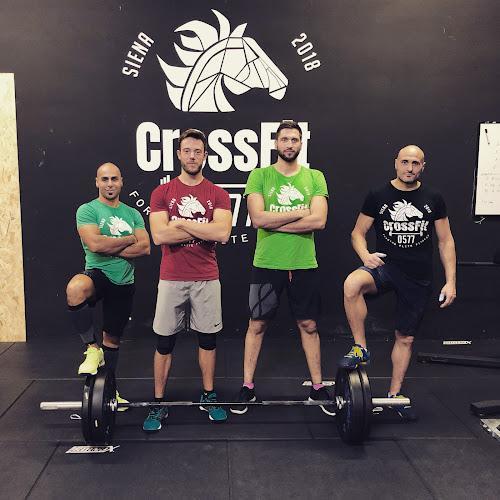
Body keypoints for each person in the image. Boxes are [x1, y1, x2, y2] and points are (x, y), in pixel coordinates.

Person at [340, 145, 456, 420]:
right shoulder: (378, 195)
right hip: (386, 267)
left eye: (415, 163)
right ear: (396, 163)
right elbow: (357, 233)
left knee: (405, 337)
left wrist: (450, 281)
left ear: (423, 166)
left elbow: (445, 241)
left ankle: (394, 396)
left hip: (417, 275)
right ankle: (360, 348)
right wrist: (365, 255)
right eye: (405, 162)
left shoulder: (433, 198)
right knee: (352, 284)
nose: (409, 168)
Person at [230, 120, 333, 416]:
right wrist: (301, 212)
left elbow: (319, 221)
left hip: (303, 264)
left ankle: (317, 388)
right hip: (267, 264)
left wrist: (275, 222)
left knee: (309, 325)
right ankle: (247, 387)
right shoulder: (259, 175)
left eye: (294, 139)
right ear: (276, 143)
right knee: (257, 324)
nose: (289, 144)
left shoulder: (315, 176)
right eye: (285, 139)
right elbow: (257, 219)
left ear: (301, 143)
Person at [143, 128, 232, 432]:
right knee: (164, 341)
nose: (192, 156)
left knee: (208, 340)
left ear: (205, 156)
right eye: (187, 151)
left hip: (206, 277)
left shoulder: (218, 194)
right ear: (179, 154)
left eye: (198, 151)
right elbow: (159, 236)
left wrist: (179, 222)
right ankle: (158, 402)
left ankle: (208, 395)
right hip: (171, 278)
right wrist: (202, 228)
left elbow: (222, 233)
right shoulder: (162, 193)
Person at [66, 162, 150, 406]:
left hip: (124, 281)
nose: (110, 184)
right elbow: (94, 245)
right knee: (75, 288)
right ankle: (92, 348)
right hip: (98, 273)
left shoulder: (133, 213)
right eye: (105, 179)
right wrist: (129, 238)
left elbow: (145, 248)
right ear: (97, 182)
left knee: (112, 340)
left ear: (121, 182)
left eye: (114, 179)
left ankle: (111, 392)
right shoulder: (87, 210)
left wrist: (108, 244)